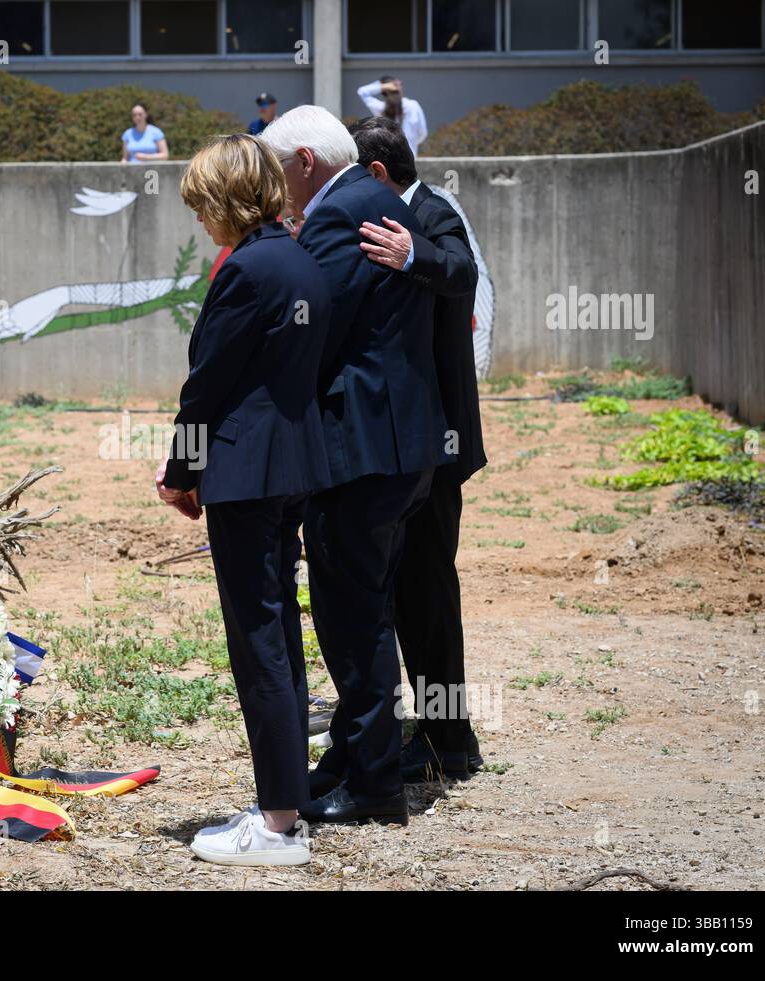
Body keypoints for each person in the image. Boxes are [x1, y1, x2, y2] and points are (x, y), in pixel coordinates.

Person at [260, 105, 449, 827]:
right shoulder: (374, 200)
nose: (275, 190)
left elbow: (312, 317)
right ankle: (351, 753)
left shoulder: (338, 214)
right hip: (401, 450)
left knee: (353, 618)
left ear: (304, 161)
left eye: (277, 173)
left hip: (363, 455)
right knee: (362, 610)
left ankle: (373, 784)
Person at [156, 133, 332, 866]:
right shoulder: (300, 258)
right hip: (293, 467)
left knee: (258, 643)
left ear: (227, 200)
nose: (200, 221)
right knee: (280, 637)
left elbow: (208, 386)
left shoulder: (245, 271)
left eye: (203, 206)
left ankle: (277, 822)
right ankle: (285, 803)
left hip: (246, 474)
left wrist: (180, 472)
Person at [350, 117, 487, 782]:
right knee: (407, 594)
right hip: (403, 450)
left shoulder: (431, 214)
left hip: (438, 450)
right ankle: (434, 731)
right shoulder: (377, 223)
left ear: (377, 175)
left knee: (429, 597)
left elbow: (462, 272)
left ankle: (449, 744)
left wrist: (414, 255)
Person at [356, 76, 428, 156]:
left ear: (384, 92)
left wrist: (383, 86)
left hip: (389, 159)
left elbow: (362, 92)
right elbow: (422, 134)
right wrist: (412, 143)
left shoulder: (380, 108)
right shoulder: (413, 106)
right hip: (411, 158)